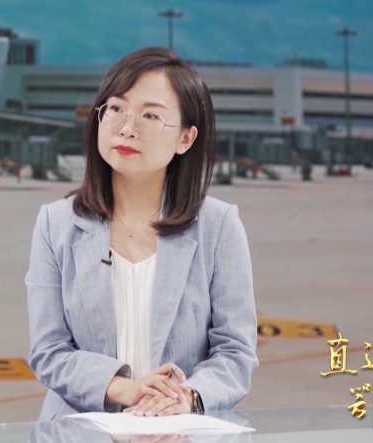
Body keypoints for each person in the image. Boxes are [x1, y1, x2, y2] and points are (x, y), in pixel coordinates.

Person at [25, 47, 258, 421]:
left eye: (150, 115)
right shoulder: (56, 224)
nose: (127, 128)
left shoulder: (219, 225)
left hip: (179, 430)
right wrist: (129, 390)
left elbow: (236, 352)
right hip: (79, 430)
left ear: (185, 138)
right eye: (116, 108)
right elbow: (49, 351)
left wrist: (185, 398)